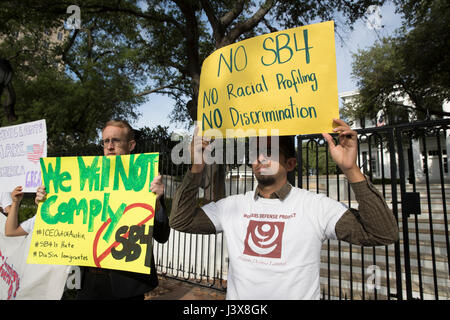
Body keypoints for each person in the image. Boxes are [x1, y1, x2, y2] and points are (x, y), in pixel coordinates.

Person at [169, 118, 399, 300]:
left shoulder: (316, 207)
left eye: (268, 151)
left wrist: (351, 169)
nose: (259, 157)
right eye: (254, 152)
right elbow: (180, 221)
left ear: (290, 164)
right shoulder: (232, 206)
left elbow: (383, 233)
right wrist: (196, 167)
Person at [35, 119, 170, 300]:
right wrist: (46, 202)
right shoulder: (83, 179)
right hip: (88, 281)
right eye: (105, 141)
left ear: (131, 145)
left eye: (115, 140)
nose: (110, 146)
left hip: (126, 284)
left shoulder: (147, 180)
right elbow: (66, 222)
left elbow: (162, 236)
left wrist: (158, 203)